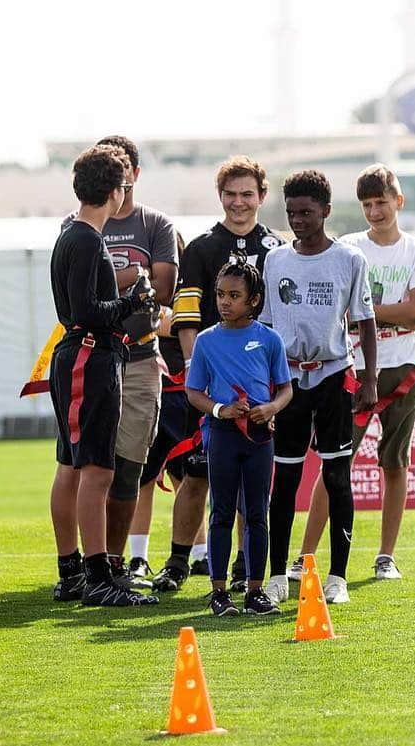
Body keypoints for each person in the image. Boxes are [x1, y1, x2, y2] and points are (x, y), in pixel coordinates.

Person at [296, 163, 415, 583]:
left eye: (382, 202)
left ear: (399, 201)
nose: (376, 211)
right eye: (368, 204)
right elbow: (340, 310)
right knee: (334, 464)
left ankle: (385, 556)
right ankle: (305, 558)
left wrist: (367, 315)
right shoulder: (349, 247)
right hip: (352, 368)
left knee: (394, 464)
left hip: (405, 368)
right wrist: (395, 317)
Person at [153, 156, 282, 594]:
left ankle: (247, 566)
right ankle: (176, 561)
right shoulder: (203, 248)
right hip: (210, 390)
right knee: (196, 474)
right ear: (220, 197)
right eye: (231, 194)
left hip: (259, 394)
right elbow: (186, 319)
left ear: (262, 196)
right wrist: (197, 377)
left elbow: (280, 324)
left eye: (248, 194)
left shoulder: (277, 249)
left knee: (252, 484)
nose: (239, 202)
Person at [62, 136, 179, 585]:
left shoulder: (152, 223)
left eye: (126, 167)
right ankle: (89, 569)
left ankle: (104, 566)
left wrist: (132, 291)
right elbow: (88, 305)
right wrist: (131, 290)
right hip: (93, 356)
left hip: (135, 357)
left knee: (123, 467)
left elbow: (163, 292)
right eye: (114, 172)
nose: (122, 178)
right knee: (88, 467)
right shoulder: (82, 232)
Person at [262, 170, 378, 605]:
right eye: (291, 212)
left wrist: (367, 378)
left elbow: (365, 321)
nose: (298, 220)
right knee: (286, 477)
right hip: (289, 380)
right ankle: (276, 575)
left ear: (326, 211)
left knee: (336, 475)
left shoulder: (349, 260)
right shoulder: (275, 260)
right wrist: (265, 387)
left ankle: (338, 577)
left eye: (306, 212)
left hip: (332, 375)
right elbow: (269, 327)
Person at [185, 259, 293, 616]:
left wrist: (271, 409)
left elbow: (285, 389)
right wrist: (219, 410)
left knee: (257, 513)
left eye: (234, 295)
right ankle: (218, 593)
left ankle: (255, 590)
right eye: (220, 294)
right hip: (223, 435)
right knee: (221, 512)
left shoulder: (269, 339)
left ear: (254, 300)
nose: (225, 302)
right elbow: (193, 391)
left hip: (259, 437)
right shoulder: (205, 341)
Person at [129, 232, 187, 586]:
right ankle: (138, 555)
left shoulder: (188, 292)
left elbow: (174, 323)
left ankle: (198, 551)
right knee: (143, 478)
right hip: (149, 391)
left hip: (181, 394)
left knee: (190, 477)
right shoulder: (138, 293)